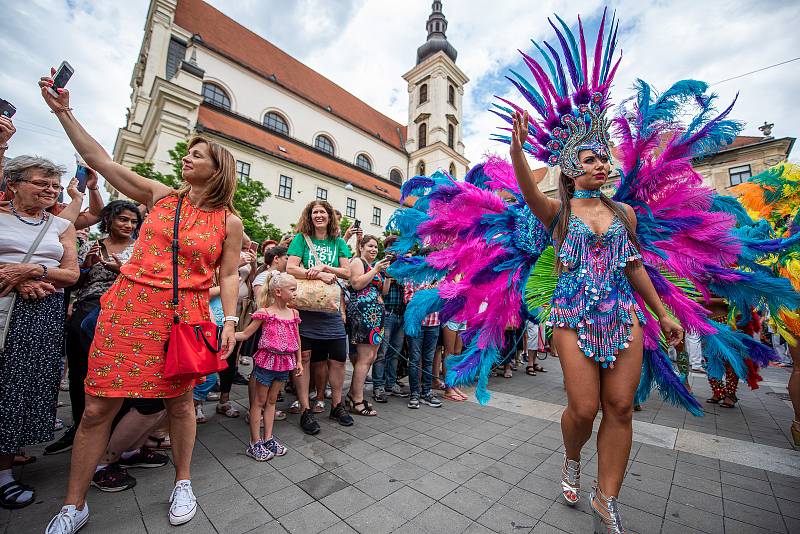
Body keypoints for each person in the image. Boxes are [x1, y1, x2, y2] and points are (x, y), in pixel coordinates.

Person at [39, 70, 243, 532]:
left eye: (197, 155)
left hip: (183, 313)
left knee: (179, 404)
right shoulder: (160, 196)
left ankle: (184, 481)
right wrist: (63, 111)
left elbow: (228, 273)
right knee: (96, 408)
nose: (187, 159)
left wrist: (229, 318)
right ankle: (74, 504)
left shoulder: (229, 223)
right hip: (127, 305)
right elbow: (102, 162)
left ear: (218, 169)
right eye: (188, 154)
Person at [0, 156, 80, 509]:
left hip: (41, 314)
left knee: (21, 390)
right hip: (3, 302)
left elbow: (71, 274)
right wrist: (12, 277)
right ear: (13, 183)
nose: (49, 190)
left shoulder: (60, 226)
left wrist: (33, 271)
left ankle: (4, 473)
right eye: (41, 183)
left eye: (54, 186)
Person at [46, 200, 142, 455]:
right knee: (81, 371)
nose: (128, 225)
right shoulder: (92, 246)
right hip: (89, 306)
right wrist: (86, 268)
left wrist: (121, 270)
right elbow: (71, 283)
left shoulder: (141, 250)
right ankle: (80, 427)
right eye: (123, 219)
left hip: (123, 311)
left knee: (117, 373)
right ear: (109, 220)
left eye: (133, 221)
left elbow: (146, 281)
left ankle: (115, 432)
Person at [286, 200, 352, 434]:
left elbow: (348, 272)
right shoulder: (301, 239)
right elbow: (290, 268)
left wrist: (325, 269)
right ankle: (305, 409)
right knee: (303, 358)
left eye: (322, 212)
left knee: (338, 359)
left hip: (331, 309)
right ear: (309, 216)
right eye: (314, 212)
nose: (318, 215)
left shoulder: (339, 242)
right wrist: (311, 274)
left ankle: (336, 404)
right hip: (305, 310)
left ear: (330, 216)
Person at [235, 271, 303, 460]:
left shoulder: (294, 313)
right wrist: (227, 335)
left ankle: (268, 438)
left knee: (272, 401)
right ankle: (254, 442)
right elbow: (246, 334)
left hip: (284, 362)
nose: (296, 293)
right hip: (266, 362)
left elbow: (297, 339)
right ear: (278, 292)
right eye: (292, 289)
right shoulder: (265, 313)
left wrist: (298, 360)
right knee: (258, 402)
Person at [346, 235, 389, 415]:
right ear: (361, 247)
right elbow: (356, 284)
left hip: (376, 317)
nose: (373, 249)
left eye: (376, 247)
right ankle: (356, 400)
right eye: (370, 246)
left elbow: (384, 291)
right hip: (363, 316)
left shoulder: (375, 267)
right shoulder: (358, 262)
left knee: (370, 357)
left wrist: (387, 276)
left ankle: (353, 394)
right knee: (364, 358)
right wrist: (376, 269)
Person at [372, 236, 408, 402]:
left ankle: (390, 383)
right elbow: (378, 289)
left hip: (401, 313)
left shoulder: (405, 265)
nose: (395, 250)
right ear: (386, 249)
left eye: (398, 247)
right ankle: (378, 386)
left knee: (395, 352)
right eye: (392, 247)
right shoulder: (380, 265)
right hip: (385, 313)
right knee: (381, 352)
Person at [404, 279, 443, 409]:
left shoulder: (441, 278)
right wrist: (427, 294)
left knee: (428, 360)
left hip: (434, 324)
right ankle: (414, 393)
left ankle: (426, 392)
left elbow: (443, 300)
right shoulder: (413, 277)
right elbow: (407, 299)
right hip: (416, 324)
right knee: (414, 359)